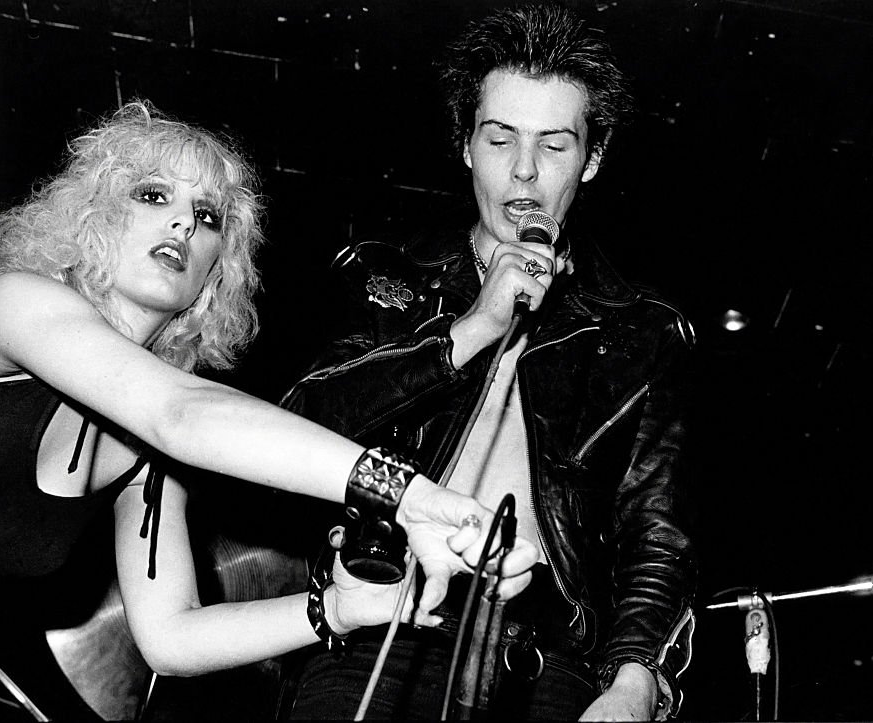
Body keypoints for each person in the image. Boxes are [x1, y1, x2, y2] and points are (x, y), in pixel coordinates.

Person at [0, 100, 536, 720]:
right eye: (152, 195)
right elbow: (181, 413)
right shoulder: (15, 304)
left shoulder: (149, 458)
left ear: (218, 273)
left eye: (207, 216)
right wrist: (411, 496)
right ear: (92, 214)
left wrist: (340, 608)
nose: (183, 226)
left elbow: (171, 639)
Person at [280, 3, 697, 720]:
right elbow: (294, 430)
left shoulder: (641, 331)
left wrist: (633, 680)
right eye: (501, 139)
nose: (524, 172)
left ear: (593, 158)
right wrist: (469, 329)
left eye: (556, 147)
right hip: (381, 628)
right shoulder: (386, 278)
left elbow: (656, 528)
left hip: (542, 661)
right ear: (466, 145)